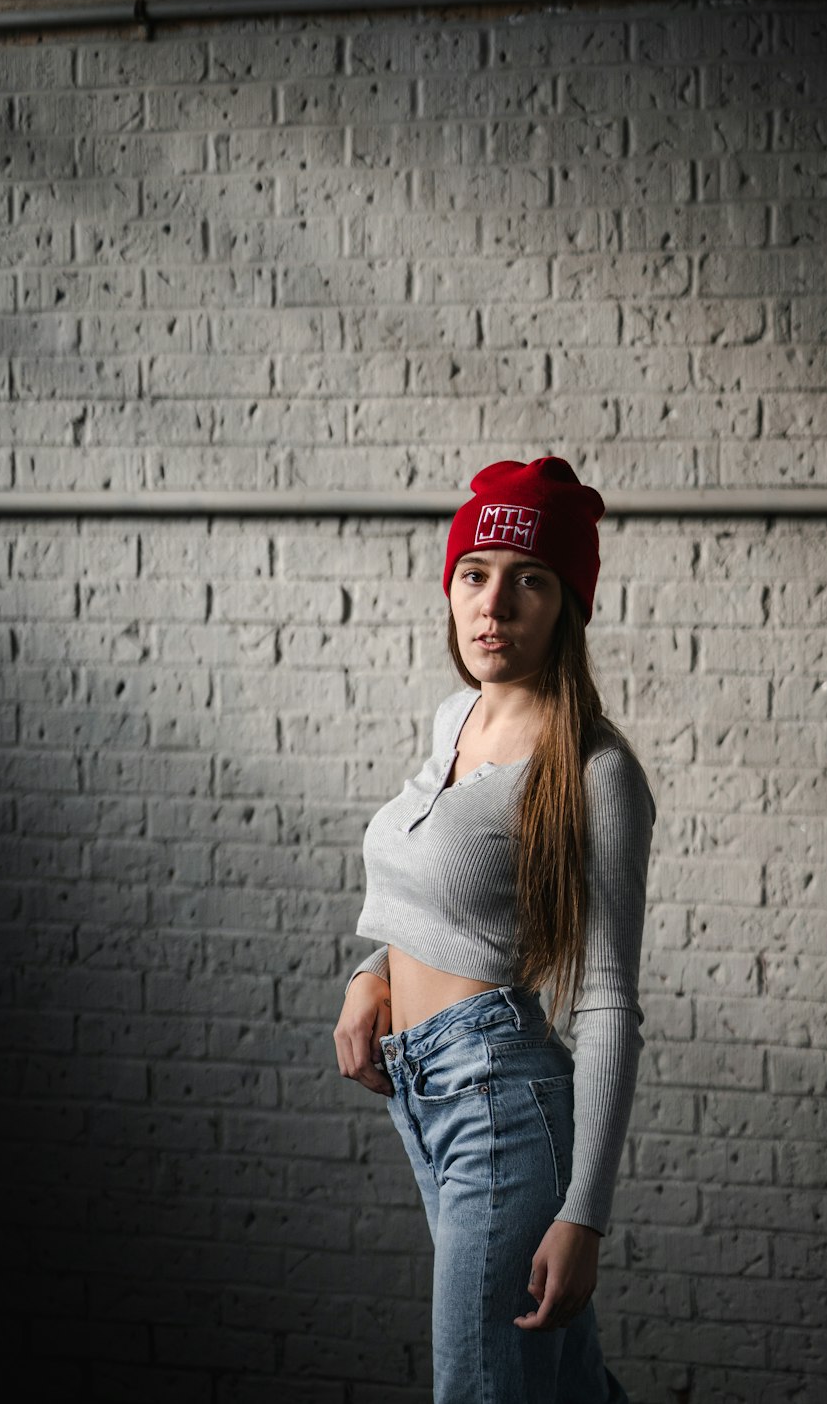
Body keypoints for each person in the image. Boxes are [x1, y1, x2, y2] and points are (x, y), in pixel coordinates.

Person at [333, 456, 655, 1404]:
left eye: (529, 579)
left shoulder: (596, 773)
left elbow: (606, 1003)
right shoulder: (454, 718)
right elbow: (427, 895)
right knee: (560, 1387)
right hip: (421, 1094)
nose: (495, 602)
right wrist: (371, 978)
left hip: (502, 1109)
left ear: (567, 606)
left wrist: (584, 1217)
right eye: (475, 573)